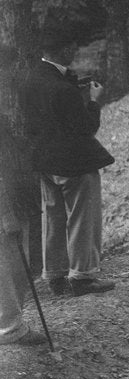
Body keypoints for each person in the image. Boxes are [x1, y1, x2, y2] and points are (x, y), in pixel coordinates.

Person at [23, 34, 115, 297]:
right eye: (71, 46)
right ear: (61, 49)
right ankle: (83, 276)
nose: (75, 50)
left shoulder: (31, 79)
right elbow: (86, 128)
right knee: (83, 217)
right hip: (74, 163)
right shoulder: (63, 89)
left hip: (45, 161)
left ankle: (55, 276)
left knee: (53, 218)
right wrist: (94, 100)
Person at [0, 48, 48, 346]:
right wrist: (6, 214)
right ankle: (10, 327)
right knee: (10, 262)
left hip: (13, 192)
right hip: (4, 199)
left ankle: (10, 321)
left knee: (16, 262)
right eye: (6, 68)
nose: (9, 75)